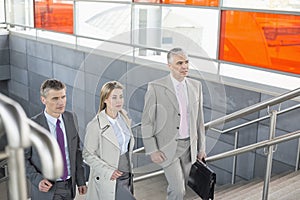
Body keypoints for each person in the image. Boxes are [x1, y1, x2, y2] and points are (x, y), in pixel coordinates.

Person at [141, 47, 206, 200]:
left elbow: (199, 121)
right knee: (178, 190)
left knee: (179, 188)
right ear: (169, 66)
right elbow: (147, 122)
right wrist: (152, 150)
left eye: (187, 62)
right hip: (168, 148)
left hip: (189, 148)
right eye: (179, 63)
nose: (185, 66)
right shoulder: (156, 87)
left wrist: (202, 148)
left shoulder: (196, 86)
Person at [25, 79, 87, 200]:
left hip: (69, 186)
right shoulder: (32, 126)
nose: (61, 102)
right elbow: (22, 159)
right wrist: (37, 180)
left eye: (63, 97)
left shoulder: (71, 118)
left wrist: (80, 180)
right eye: (55, 98)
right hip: (47, 190)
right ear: (43, 100)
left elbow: (77, 152)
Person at [83, 81, 135, 200]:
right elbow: (87, 155)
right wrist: (108, 171)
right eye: (114, 97)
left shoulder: (124, 118)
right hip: (111, 177)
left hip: (127, 173)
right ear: (105, 99)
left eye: (121, 97)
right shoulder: (95, 125)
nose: (119, 101)